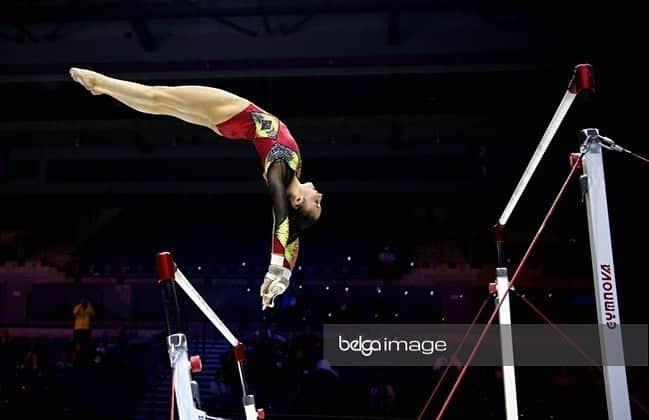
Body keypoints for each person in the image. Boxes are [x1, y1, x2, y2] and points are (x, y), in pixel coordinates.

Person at [69, 68, 323, 310]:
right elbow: (291, 233)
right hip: (234, 125)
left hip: (238, 114)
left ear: (298, 200)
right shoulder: (290, 175)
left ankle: (100, 83)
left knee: (160, 96)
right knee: (160, 104)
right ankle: (103, 88)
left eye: (317, 203)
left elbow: (281, 218)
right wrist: (282, 277)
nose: (320, 196)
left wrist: (274, 267)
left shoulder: (281, 169)